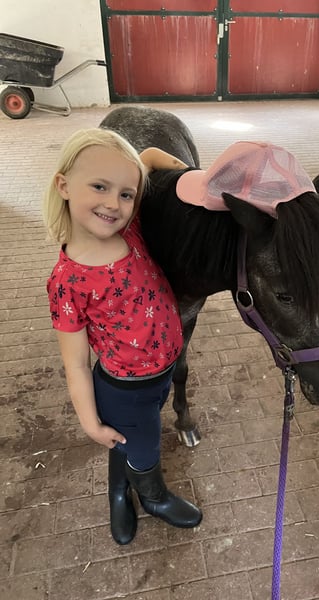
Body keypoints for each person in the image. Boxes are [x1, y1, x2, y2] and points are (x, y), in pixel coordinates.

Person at [43, 127, 202, 545]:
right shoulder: (68, 281)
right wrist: (90, 423)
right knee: (144, 449)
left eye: (126, 194)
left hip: (162, 372)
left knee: (127, 441)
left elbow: (147, 156)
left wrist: (192, 173)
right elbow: (76, 364)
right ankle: (153, 497)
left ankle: (117, 492)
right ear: (64, 186)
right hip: (126, 390)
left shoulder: (128, 232)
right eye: (99, 187)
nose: (114, 203)